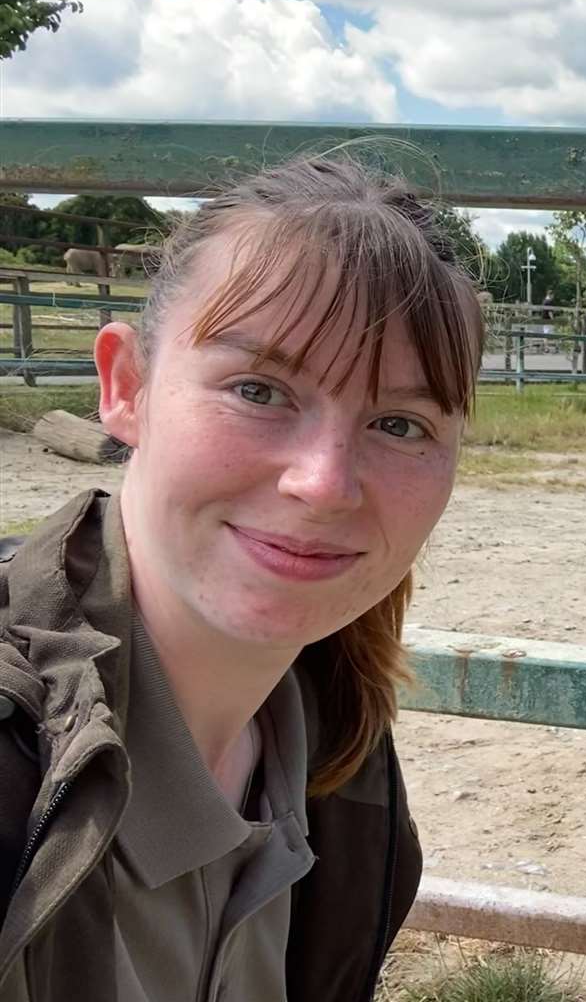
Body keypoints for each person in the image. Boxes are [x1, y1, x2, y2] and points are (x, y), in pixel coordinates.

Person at [0, 149, 483, 1002]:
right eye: (259, 391)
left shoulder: (338, 743)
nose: (325, 482)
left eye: (400, 424)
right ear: (126, 386)